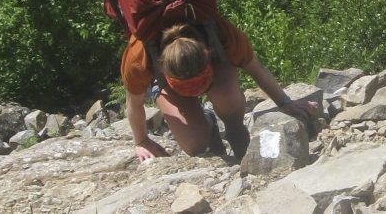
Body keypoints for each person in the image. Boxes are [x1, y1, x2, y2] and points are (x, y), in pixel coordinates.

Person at [121, 16, 318, 162]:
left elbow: (255, 68)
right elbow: (134, 103)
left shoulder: (220, 33)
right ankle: (209, 122)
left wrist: (285, 103)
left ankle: (234, 129)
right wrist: (141, 140)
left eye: (200, 83)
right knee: (194, 144)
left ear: (208, 55)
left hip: (217, 63)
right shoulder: (139, 58)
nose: (195, 91)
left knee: (229, 98)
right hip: (166, 81)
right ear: (163, 68)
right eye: (187, 86)